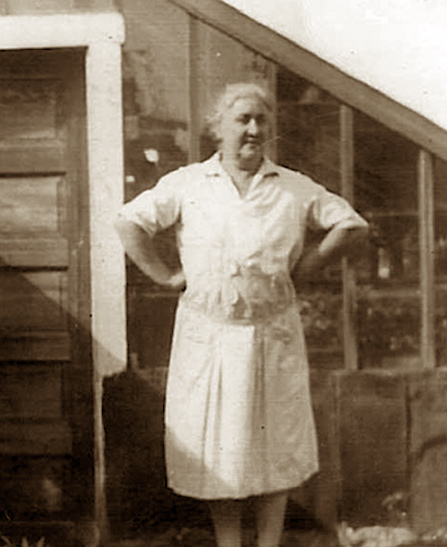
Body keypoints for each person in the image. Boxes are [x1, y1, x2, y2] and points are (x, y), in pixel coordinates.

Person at [114, 82, 369, 547]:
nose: (253, 129)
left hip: (273, 334)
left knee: (276, 446)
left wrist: (305, 268)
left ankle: (269, 544)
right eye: (242, 120)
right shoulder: (188, 184)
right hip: (209, 336)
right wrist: (165, 276)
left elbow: (351, 225)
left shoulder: (292, 188)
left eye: (261, 120)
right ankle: (229, 543)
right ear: (219, 129)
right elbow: (129, 222)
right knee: (220, 446)